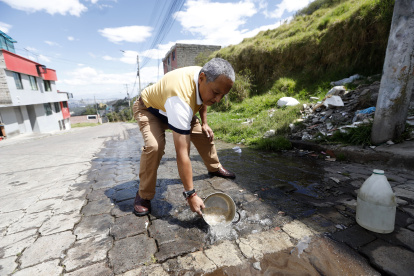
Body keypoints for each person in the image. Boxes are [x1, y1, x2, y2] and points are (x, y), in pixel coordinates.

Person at [132, 57, 236, 217]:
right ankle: (144, 195)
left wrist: (205, 123)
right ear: (202, 78)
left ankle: (215, 167)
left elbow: (203, 100)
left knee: (203, 133)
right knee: (154, 147)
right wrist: (191, 194)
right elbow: (182, 153)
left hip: (175, 108)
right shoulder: (180, 97)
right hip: (149, 109)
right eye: (216, 93)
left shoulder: (206, 76)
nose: (217, 100)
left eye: (223, 95)